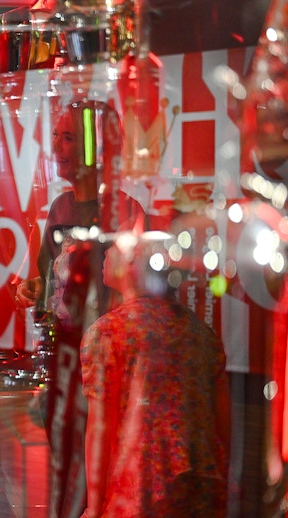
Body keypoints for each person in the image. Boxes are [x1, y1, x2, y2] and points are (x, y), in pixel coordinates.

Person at [15, 100, 145, 517]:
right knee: (66, 458)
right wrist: (36, 288)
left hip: (103, 366)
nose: (56, 145)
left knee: (99, 462)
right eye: (55, 135)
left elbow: (134, 297)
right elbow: (49, 278)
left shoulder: (126, 212)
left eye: (67, 137)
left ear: (97, 150)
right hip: (62, 357)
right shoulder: (58, 209)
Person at [80, 230, 231, 517]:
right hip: (202, 485)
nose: (105, 253)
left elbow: (100, 426)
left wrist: (95, 506)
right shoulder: (199, 331)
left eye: (113, 247)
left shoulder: (108, 333)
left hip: (141, 489)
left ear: (134, 261)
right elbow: (222, 417)